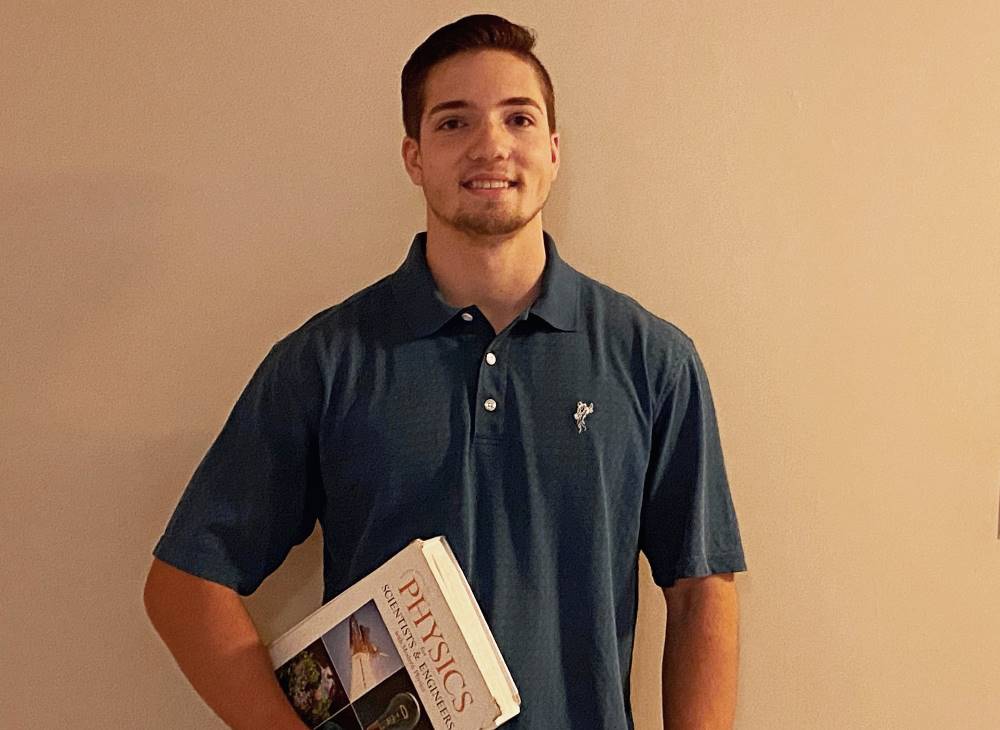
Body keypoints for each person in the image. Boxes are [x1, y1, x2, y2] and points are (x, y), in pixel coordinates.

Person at [144, 13, 746, 730]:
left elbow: (702, 589)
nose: (491, 144)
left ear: (553, 151)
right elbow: (184, 585)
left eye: (518, 118)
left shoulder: (650, 360)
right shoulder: (328, 361)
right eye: (454, 122)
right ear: (413, 156)